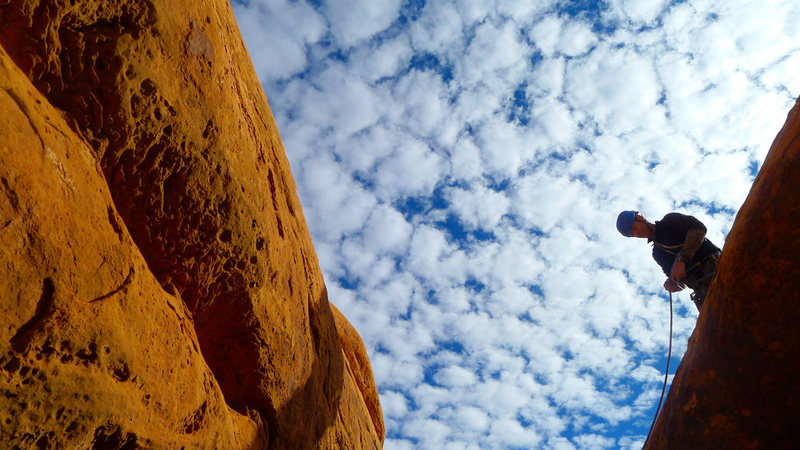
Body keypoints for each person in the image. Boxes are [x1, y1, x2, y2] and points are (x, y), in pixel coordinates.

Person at [616, 210, 721, 311]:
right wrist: (674, 284)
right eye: (633, 234)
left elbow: (698, 228)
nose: (637, 233)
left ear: (640, 218)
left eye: (635, 227)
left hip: (714, 267)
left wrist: (681, 259)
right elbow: (678, 280)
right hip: (701, 290)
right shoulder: (658, 254)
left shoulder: (669, 221)